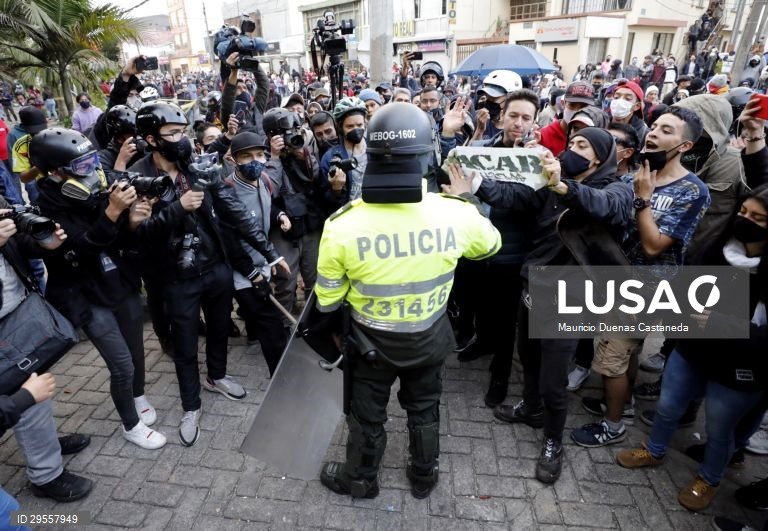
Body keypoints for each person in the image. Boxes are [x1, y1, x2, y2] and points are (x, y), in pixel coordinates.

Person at [315, 102, 502, 500]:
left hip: (369, 347)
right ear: (427, 156)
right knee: (424, 408)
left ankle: (361, 480)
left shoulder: (342, 225)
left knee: (366, 417)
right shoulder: (456, 215)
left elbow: (327, 300)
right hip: (430, 338)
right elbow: (490, 246)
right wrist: (466, 200)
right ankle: (423, 476)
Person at [130, 101, 289, 446]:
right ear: (151, 139)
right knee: (186, 345)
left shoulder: (195, 165)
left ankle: (216, 376)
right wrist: (176, 208)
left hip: (216, 267)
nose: (181, 139)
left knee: (220, 328)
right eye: (172, 134)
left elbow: (233, 209)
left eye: (183, 132)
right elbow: (138, 235)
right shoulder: (136, 176)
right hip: (176, 278)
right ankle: (191, 405)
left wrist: (271, 254)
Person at [480, 127, 633, 483]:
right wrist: (472, 183)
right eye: (571, 143)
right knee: (528, 358)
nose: (573, 150)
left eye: (583, 146)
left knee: (553, 380)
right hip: (535, 284)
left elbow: (606, 208)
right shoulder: (547, 183)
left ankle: (553, 441)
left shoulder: (616, 189)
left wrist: (565, 187)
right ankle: (530, 409)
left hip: (572, 299)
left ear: (600, 158)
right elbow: (513, 195)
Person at [616, 184, 768, 512]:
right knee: (668, 405)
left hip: (739, 368)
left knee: (718, 429)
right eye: (743, 212)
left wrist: (723, 323)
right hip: (692, 349)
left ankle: (709, 479)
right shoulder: (718, 247)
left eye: (758, 218)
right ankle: (654, 450)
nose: (746, 220)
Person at [571, 106, 710, 448]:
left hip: (647, 289)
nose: (654, 133)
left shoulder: (693, 191)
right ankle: (625, 405)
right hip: (615, 280)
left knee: (610, 361)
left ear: (685, 146)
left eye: (666, 130)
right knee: (629, 352)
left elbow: (653, 246)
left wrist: (643, 200)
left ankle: (613, 424)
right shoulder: (633, 174)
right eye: (654, 126)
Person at [448, 90, 539, 408]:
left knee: (504, 321)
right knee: (475, 307)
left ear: (534, 121)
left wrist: (478, 185)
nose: (519, 123)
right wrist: (449, 134)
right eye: (514, 115)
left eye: (526, 117)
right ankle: (480, 342)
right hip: (475, 249)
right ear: (503, 115)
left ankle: (500, 374)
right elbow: (448, 175)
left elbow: (522, 199)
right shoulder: (480, 150)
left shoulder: (538, 159)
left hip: (510, 255)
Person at [0, 196, 93, 503]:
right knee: (25, 393)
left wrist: (45, 244)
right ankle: (46, 475)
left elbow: (19, 241)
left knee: (37, 386)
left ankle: (46, 442)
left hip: (20, 313)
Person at [222, 132, 290, 376]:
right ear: (233, 159)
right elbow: (230, 241)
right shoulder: (226, 191)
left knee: (259, 317)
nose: (255, 160)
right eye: (246, 156)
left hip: (261, 262)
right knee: (272, 326)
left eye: (260, 154)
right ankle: (281, 378)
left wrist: (279, 216)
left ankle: (252, 334)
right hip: (241, 270)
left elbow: (264, 209)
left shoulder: (265, 180)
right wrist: (252, 273)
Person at [320, 98, 368, 206]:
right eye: (350, 126)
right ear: (340, 128)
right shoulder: (330, 158)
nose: (356, 129)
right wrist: (336, 190)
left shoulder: (375, 149)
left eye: (359, 125)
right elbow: (325, 199)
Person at [536, 81, 595, 156]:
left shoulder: (594, 137)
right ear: (563, 103)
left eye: (583, 107)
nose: (577, 111)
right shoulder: (543, 136)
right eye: (572, 105)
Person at [472, 70, 524, 141]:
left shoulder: (518, 127)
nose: (489, 102)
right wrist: (479, 130)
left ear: (511, 99)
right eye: (487, 97)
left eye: (494, 98)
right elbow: (468, 150)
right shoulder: (479, 119)